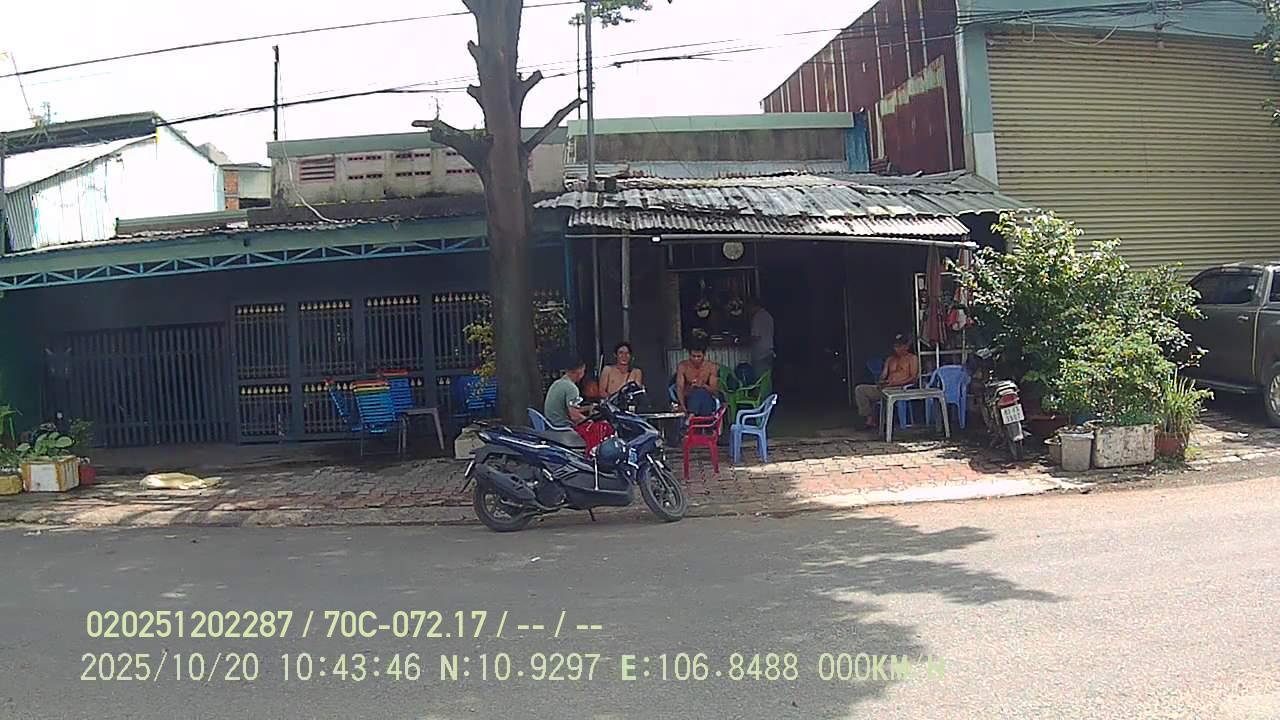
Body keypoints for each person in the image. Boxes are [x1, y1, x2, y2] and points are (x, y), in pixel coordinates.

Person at [855, 334, 920, 429]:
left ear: (906, 346)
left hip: (901, 389)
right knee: (860, 389)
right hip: (886, 388)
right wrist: (881, 381)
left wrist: (896, 383)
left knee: (890, 393)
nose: (897, 349)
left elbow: (913, 378)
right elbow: (883, 375)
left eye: (899, 346)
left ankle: (893, 422)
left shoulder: (912, 358)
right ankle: (870, 419)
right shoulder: (890, 359)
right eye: (895, 346)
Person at [676, 339, 720, 417]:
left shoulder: (711, 367)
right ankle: (696, 417)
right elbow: (680, 389)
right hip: (689, 399)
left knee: (700, 392)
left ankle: (692, 417)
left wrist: (703, 385)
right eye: (693, 356)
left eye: (699, 356)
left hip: (707, 401)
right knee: (697, 392)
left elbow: (715, 391)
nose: (696, 359)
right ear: (689, 355)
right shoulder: (683, 366)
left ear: (704, 355)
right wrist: (683, 406)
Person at [544, 355, 589, 428]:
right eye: (584, 371)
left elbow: (570, 408)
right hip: (561, 426)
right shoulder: (572, 388)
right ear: (579, 372)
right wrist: (590, 421)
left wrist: (589, 407)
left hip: (550, 423)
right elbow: (574, 416)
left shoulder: (557, 383)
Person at [747, 297, 775, 376]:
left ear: (753, 306)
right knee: (767, 379)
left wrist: (743, 340)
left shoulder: (757, 317)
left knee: (760, 379)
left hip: (760, 355)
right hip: (769, 352)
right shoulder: (768, 315)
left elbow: (756, 336)